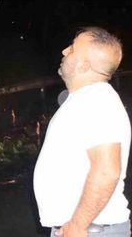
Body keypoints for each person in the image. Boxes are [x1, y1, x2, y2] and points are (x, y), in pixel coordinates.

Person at [34, 26, 130, 237]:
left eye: (72, 49)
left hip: (90, 230)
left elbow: (107, 169)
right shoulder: (83, 100)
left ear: (84, 66)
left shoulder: (97, 100)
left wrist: (78, 224)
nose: (64, 51)